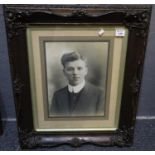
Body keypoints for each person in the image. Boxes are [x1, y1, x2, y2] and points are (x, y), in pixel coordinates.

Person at [50, 52, 104, 117]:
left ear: (86, 71)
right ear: (64, 72)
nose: (75, 73)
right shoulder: (57, 95)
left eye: (79, 68)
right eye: (70, 69)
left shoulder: (99, 94)